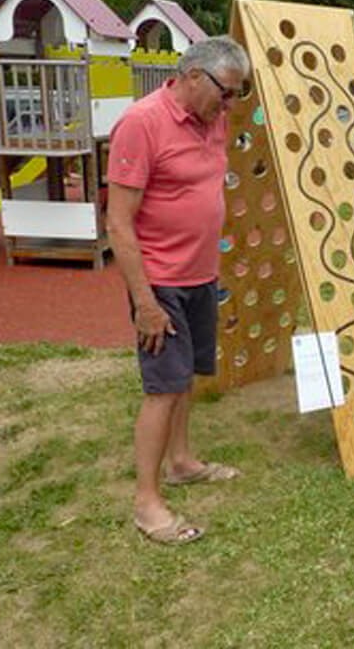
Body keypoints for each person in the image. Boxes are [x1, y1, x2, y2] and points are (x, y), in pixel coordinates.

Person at [107, 36, 250, 545]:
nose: (230, 105)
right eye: (226, 93)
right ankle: (147, 504)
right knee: (163, 388)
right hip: (160, 281)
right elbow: (119, 224)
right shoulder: (141, 124)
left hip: (200, 276)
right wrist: (145, 303)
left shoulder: (216, 120)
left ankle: (182, 462)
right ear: (193, 76)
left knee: (186, 376)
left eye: (237, 95)